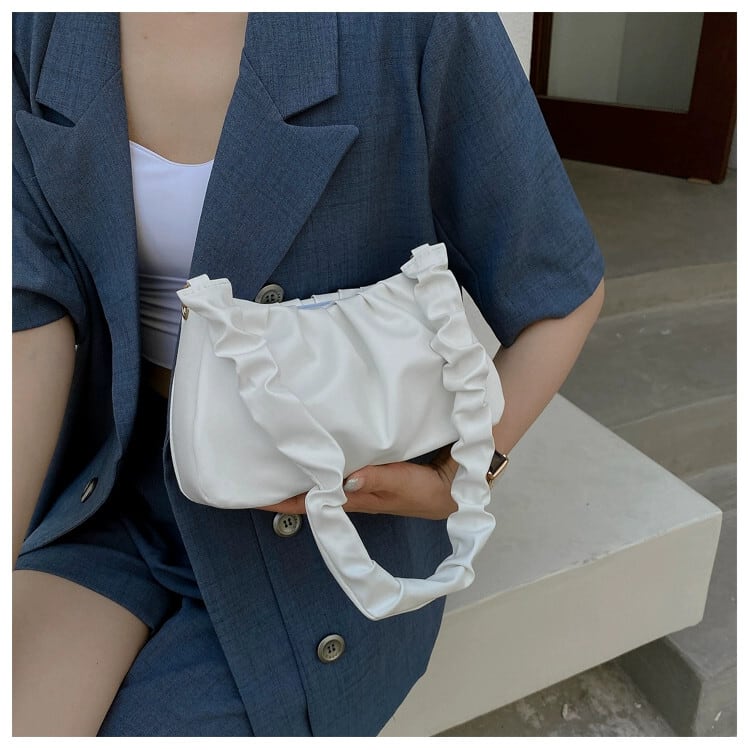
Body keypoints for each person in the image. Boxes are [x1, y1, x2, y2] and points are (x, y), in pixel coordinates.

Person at [12, 12, 606, 737]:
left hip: (325, 526)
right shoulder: (40, 25)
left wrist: (466, 471)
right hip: (114, 489)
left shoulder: (409, 25)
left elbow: (558, 290)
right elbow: (29, 314)